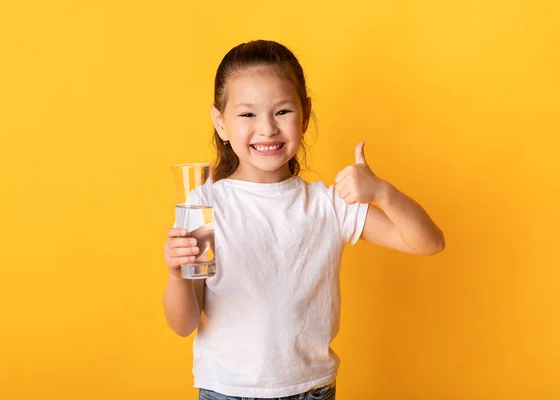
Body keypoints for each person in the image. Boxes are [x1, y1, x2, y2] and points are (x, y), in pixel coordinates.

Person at [163, 40, 445, 400]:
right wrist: (177, 275)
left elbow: (428, 242)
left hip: (311, 390)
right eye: (247, 114)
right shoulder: (204, 205)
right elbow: (183, 324)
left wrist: (382, 193)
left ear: (305, 114)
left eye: (281, 111)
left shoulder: (328, 205)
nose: (266, 129)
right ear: (220, 122)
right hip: (226, 390)